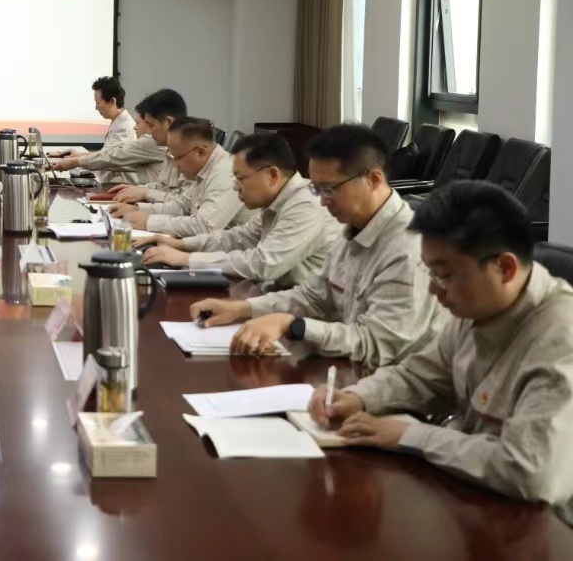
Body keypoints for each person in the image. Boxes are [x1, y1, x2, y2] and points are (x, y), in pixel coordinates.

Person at [308, 181, 573, 527]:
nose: (434, 289)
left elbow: (529, 471)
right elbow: (421, 375)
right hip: (483, 501)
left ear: (505, 268)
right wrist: (358, 397)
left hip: (550, 527)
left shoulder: (561, 339)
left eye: (445, 275)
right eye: (430, 272)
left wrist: (409, 435)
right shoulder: (479, 306)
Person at [191, 124, 442, 366]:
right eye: (316, 189)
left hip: (395, 382)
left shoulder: (409, 249)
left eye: (329, 189)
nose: (322, 201)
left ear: (373, 180)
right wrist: (240, 308)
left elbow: (376, 345)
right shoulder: (353, 228)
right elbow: (314, 297)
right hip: (350, 368)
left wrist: (293, 326)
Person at [138, 132, 340, 289]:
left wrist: (186, 259)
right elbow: (237, 238)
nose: (235, 187)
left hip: (308, 314)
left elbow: (263, 264)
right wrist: (181, 244)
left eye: (241, 178)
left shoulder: (306, 205)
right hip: (278, 298)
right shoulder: (277, 203)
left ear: (272, 175)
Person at [109, 117, 252, 236]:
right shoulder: (203, 168)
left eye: (178, 158)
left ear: (201, 152)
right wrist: (138, 210)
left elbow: (205, 227)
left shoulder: (226, 174)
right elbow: (182, 206)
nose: (176, 166)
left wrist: (149, 222)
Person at [49, 76, 140, 183]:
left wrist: (75, 161)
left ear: (112, 102)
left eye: (98, 103)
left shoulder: (124, 128)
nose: (96, 108)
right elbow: (105, 153)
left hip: (120, 186)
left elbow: (107, 159)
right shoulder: (118, 122)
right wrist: (80, 156)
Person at [103, 88, 190, 197]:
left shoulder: (191, 155)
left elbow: (181, 203)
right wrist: (137, 190)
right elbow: (163, 189)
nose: (150, 132)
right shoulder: (171, 152)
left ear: (169, 122)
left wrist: (144, 195)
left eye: (151, 125)